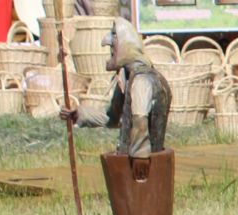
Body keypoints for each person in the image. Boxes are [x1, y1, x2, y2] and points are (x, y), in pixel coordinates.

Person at [62, 21, 169, 158]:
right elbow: (112, 117)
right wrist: (79, 114)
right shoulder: (128, 77)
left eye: (114, 35)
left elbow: (140, 118)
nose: (107, 42)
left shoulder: (141, 79)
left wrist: (140, 155)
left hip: (141, 169)